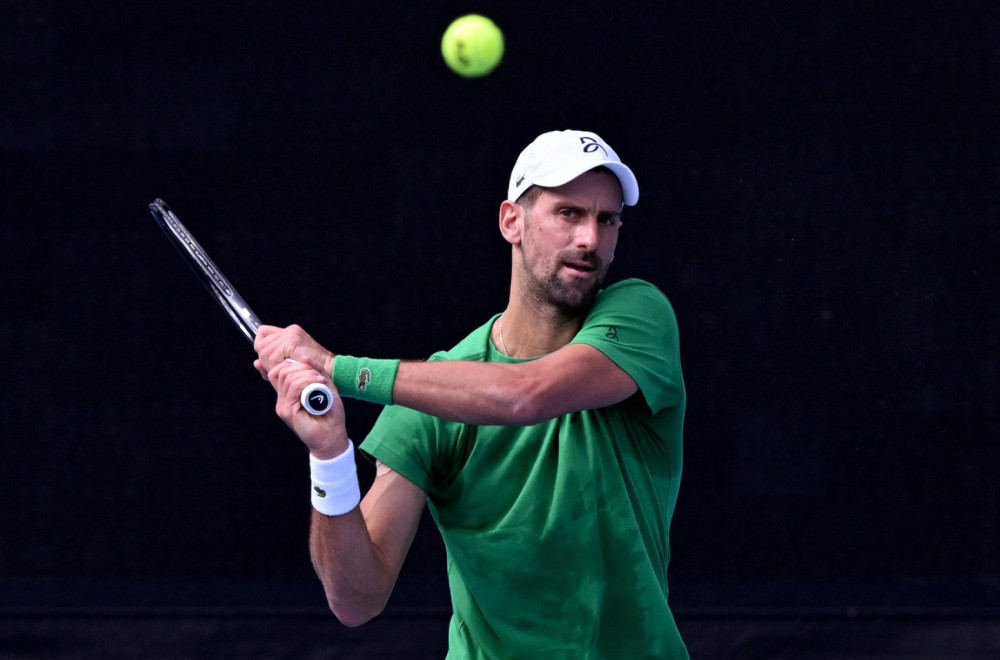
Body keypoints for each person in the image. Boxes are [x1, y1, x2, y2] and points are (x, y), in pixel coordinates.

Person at [253, 129, 688, 659]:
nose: (590, 239)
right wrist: (329, 457)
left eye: (608, 219)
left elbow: (525, 396)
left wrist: (335, 368)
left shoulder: (641, 316)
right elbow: (356, 599)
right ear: (512, 221)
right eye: (569, 213)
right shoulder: (431, 398)